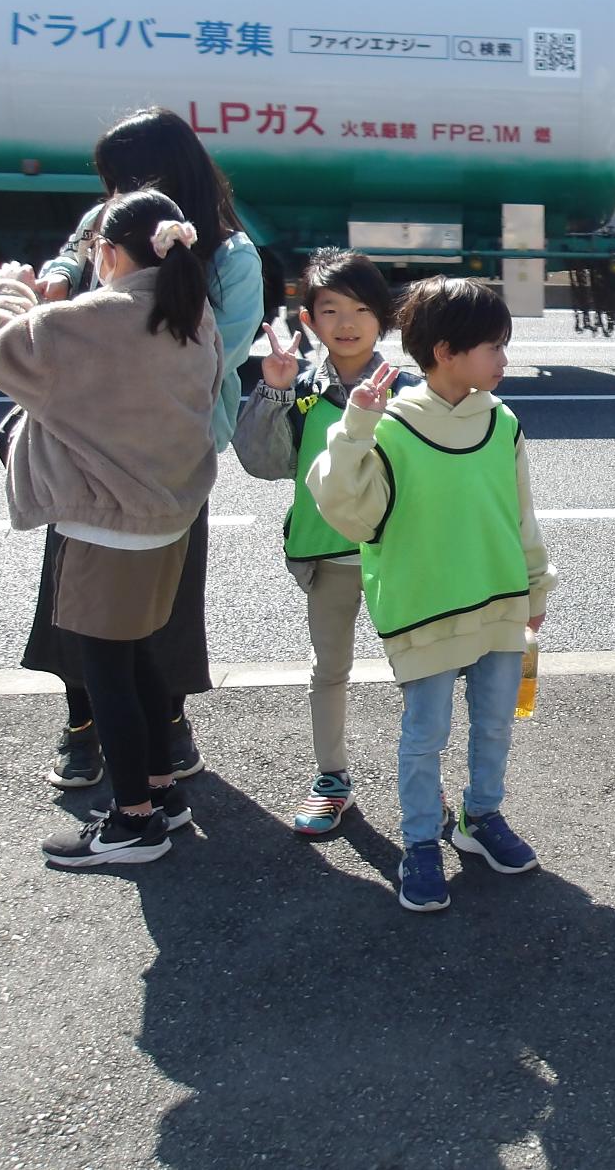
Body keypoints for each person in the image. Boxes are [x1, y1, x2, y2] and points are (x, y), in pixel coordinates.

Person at [0, 189, 224, 865]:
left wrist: (7, 291)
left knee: (107, 672)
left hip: (106, 527)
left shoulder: (103, 315)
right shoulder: (192, 311)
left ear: (108, 251)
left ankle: (132, 822)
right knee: (139, 661)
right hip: (168, 519)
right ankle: (162, 791)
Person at [27, 107, 263, 790]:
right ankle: (83, 725)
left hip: (171, 455)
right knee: (75, 597)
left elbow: (225, 353)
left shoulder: (229, 254)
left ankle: (166, 723)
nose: (109, 196)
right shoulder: (107, 224)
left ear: (155, 176)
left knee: (164, 600)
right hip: (86, 444)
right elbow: (70, 257)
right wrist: (59, 274)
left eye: (118, 180)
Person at [308, 277, 551, 913]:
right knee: (426, 734)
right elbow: (340, 503)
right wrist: (355, 423)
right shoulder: (392, 427)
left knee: (495, 724)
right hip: (426, 609)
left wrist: (536, 586)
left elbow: (522, 516)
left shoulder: (502, 423)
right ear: (446, 351)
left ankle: (480, 817)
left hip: (498, 601)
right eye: (494, 347)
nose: (504, 360)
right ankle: (420, 843)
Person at [233, 249, 412, 835]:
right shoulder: (301, 388)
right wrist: (274, 393)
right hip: (324, 554)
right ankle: (331, 779)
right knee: (329, 670)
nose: (346, 322)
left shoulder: (406, 390)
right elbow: (263, 464)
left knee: (416, 673)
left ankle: (421, 783)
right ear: (308, 318)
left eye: (362, 308)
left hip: (393, 554)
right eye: (330, 309)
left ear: (383, 317)